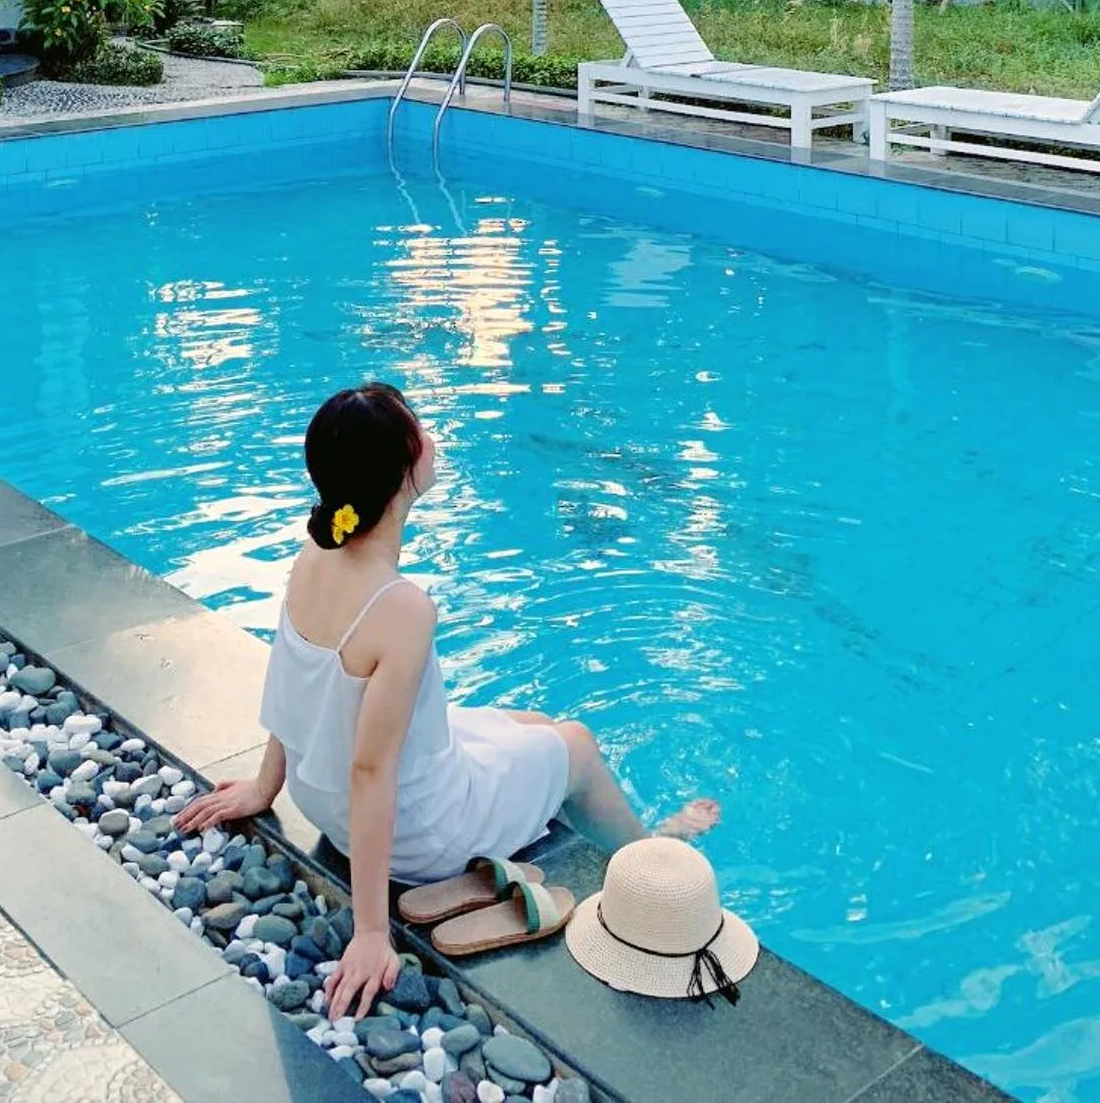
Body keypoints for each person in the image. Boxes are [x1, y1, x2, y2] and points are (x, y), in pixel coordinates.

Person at [176, 381, 719, 1018]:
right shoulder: (401, 608)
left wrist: (267, 788)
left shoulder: (311, 556)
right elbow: (372, 769)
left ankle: (562, 819)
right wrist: (372, 933)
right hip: (417, 830)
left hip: (320, 800)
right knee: (577, 743)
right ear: (405, 470)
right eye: (420, 428)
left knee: (532, 725)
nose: (431, 436)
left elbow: (301, 685)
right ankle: (650, 864)